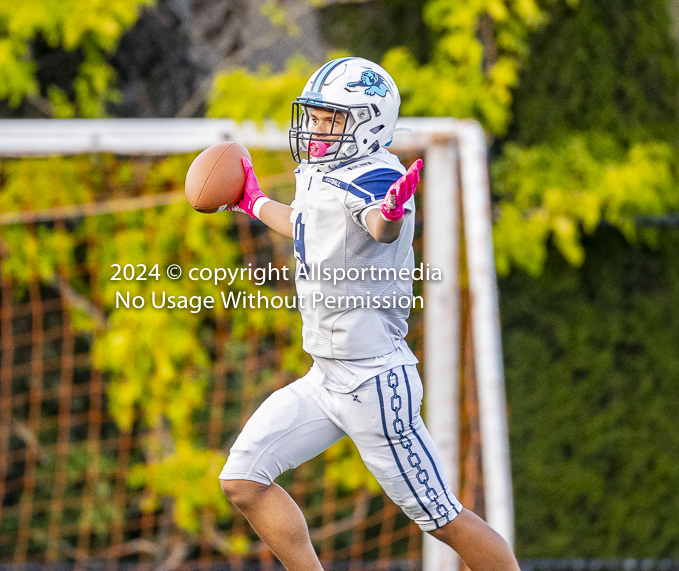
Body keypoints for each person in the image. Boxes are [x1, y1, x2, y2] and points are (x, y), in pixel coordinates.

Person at [218, 57, 520, 571]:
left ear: (369, 123)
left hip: (375, 382)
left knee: (443, 518)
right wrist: (253, 201)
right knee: (243, 481)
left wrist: (393, 211)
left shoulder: (378, 174)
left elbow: (381, 222)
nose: (316, 128)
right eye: (313, 116)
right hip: (326, 377)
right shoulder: (321, 171)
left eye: (331, 119)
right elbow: (302, 224)